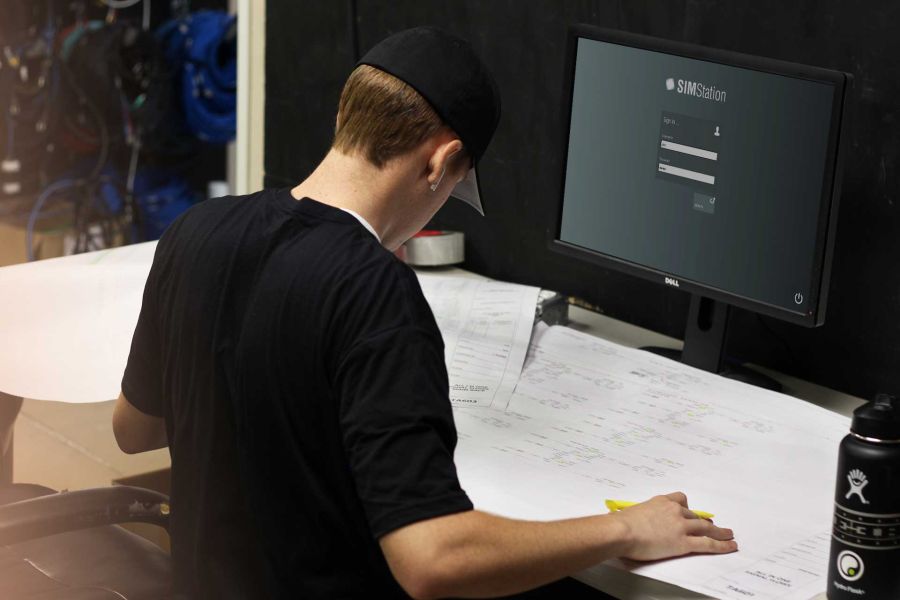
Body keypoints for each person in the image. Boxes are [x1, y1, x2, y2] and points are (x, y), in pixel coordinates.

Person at [112, 26, 737, 599]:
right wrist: (625, 529)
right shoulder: (374, 292)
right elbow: (432, 558)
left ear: (344, 115)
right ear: (440, 162)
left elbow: (132, 430)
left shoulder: (195, 232)